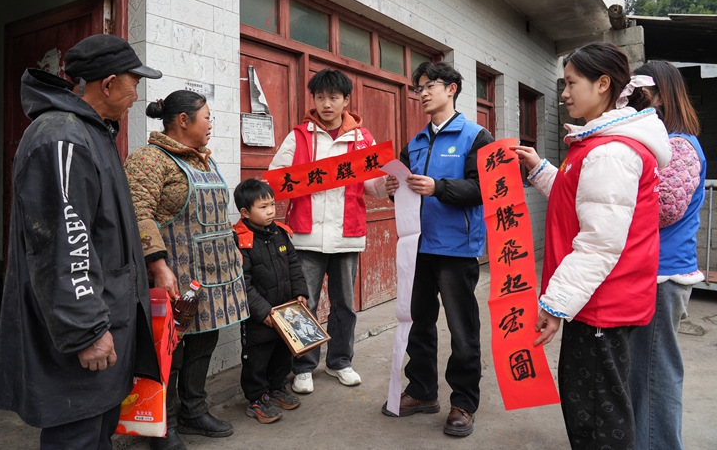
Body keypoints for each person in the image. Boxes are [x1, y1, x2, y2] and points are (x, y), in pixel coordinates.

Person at [0, 34, 162, 450]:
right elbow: (61, 244)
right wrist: (86, 329)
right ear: (108, 83)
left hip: (106, 315)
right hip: (84, 324)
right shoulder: (61, 138)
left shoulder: (92, 133)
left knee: (96, 428)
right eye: (133, 83)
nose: (137, 95)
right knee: (77, 435)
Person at [511, 41, 671, 450]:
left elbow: (599, 243)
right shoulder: (598, 145)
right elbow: (579, 202)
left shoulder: (611, 152)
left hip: (602, 304)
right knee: (595, 405)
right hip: (599, 300)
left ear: (603, 84)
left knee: (600, 415)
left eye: (570, 82)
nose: (563, 93)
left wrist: (553, 304)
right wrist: (540, 170)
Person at [124, 90, 249, 450]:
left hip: (213, 276)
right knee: (171, 351)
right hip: (175, 274)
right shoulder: (149, 159)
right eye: (207, 117)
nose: (211, 124)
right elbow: (138, 212)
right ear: (183, 121)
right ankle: (165, 424)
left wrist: (233, 250)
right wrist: (158, 266)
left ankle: (195, 410)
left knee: (203, 343)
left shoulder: (204, 161)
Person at [381, 61, 494, 438]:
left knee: (463, 331)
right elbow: (405, 187)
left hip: (457, 250)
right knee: (418, 323)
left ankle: (463, 401)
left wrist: (440, 187)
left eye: (431, 85)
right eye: (420, 88)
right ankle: (422, 391)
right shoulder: (414, 143)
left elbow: (485, 189)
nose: (424, 92)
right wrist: (397, 188)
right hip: (417, 246)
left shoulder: (477, 137)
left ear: (453, 89)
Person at [269, 68, 388, 394]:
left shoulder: (363, 139)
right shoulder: (299, 136)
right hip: (305, 235)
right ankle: (303, 366)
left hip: (347, 234)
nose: (326, 103)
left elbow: (375, 188)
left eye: (333, 97)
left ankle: (340, 362)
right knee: (303, 303)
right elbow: (276, 177)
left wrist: (387, 182)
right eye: (320, 97)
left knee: (344, 305)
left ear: (346, 100)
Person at [628, 61, 706, 450]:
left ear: (660, 95)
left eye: (639, 92)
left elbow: (663, 208)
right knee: (642, 370)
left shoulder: (678, 146)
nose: (631, 99)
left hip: (662, 275)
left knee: (655, 373)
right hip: (647, 272)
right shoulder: (659, 142)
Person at [232, 178, 309, 424]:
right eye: (263, 207)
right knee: (257, 358)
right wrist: (263, 312)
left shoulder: (280, 233)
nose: (270, 211)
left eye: (272, 205)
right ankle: (257, 398)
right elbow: (242, 283)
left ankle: (276, 388)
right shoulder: (241, 240)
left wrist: (300, 293)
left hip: (285, 311)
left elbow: (294, 266)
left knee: (282, 354)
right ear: (245, 212)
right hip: (259, 317)